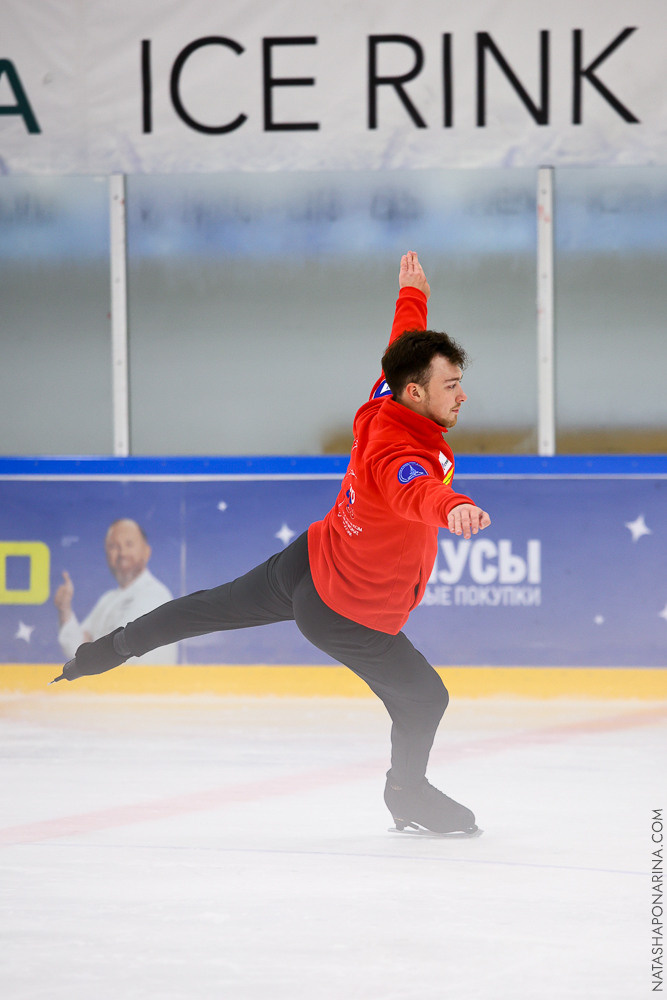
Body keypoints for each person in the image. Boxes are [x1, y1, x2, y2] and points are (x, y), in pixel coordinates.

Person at [52, 252, 490, 836]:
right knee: (425, 699)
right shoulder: (401, 454)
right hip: (345, 611)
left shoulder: (385, 397)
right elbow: (416, 490)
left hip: (312, 558)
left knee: (207, 607)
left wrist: (412, 298)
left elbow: (404, 342)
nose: (463, 395)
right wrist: (453, 505)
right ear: (415, 393)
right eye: (452, 385)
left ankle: (100, 654)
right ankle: (406, 792)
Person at [54, 518, 178, 665]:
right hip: (107, 684)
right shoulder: (108, 599)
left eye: (129, 544)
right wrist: (65, 610)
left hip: (139, 685)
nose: (122, 553)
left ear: (147, 551)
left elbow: (120, 652)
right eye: (113, 546)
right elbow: (79, 650)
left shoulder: (154, 595)